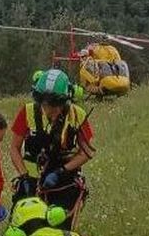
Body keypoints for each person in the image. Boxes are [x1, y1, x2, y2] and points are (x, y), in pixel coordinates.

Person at [10, 69, 95, 225]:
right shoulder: (27, 112)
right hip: (31, 180)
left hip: (64, 181)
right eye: (46, 104)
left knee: (60, 228)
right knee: (24, 225)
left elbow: (87, 152)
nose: (51, 110)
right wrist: (24, 177)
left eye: (56, 105)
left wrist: (61, 172)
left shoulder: (77, 115)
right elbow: (14, 148)